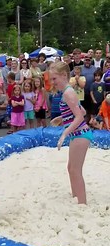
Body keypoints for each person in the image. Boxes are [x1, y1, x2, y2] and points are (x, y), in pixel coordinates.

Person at [50, 61, 93, 205]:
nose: (52, 82)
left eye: (54, 78)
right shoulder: (67, 92)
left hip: (81, 134)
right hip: (78, 134)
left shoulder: (68, 93)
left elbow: (80, 117)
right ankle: (76, 196)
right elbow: (82, 111)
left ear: (63, 75)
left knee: (76, 170)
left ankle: (82, 202)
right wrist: (62, 118)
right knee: (71, 168)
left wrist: (64, 133)